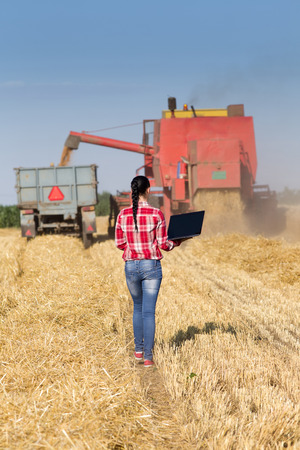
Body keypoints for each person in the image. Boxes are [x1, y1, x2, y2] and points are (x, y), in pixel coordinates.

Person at [115, 175, 181, 367]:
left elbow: (119, 244)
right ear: (149, 190)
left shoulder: (123, 215)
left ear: (131, 192)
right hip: (151, 266)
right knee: (149, 312)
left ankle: (138, 350)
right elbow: (164, 244)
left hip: (131, 266)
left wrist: (132, 247)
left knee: (137, 308)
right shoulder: (156, 214)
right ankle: (148, 357)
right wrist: (177, 242)